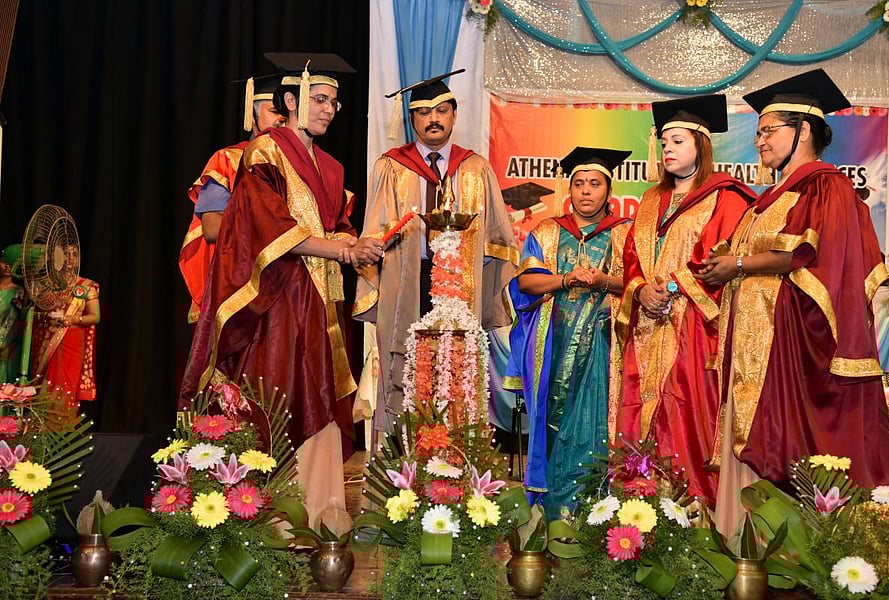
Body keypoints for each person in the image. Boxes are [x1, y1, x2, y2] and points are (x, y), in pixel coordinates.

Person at [180, 53, 383, 523]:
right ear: (290, 100)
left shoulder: (330, 165)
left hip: (323, 297)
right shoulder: (265, 152)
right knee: (283, 387)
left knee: (323, 392)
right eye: (319, 99)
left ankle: (324, 512)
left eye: (334, 101)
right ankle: (274, 517)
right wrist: (341, 251)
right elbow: (266, 227)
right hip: (278, 293)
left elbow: (338, 224)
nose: (330, 109)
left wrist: (356, 242)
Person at [697, 69, 889, 534]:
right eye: (759, 133)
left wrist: (742, 266)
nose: (760, 142)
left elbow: (814, 257)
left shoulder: (826, 186)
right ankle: (742, 552)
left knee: (788, 454)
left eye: (769, 131)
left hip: (789, 354)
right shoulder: (767, 199)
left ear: (803, 130)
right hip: (754, 351)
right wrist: (726, 262)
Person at [353, 72, 518, 433]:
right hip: (406, 280)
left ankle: (459, 442)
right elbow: (374, 233)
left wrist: (488, 287)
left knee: (455, 364)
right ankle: (402, 448)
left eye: (442, 110)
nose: (434, 119)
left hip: (462, 283)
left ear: (454, 116)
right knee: (405, 359)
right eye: (424, 113)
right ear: (412, 120)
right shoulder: (391, 166)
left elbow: (497, 240)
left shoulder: (475, 167)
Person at [616, 95, 755, 503]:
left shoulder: (727, 197)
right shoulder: (648, 201)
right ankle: (638, 509)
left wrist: (672, 287)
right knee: (639, 414)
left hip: (695, 330)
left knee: (688, 412)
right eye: (664, 143)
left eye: (677, 141)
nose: (668, 150)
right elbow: (630, 260)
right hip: (646, 329)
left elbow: (720, 258)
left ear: (701, 145)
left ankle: (695, 508)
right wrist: (641, 290)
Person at [504, 147, 633, 518]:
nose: (586, 191)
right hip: (553, 341)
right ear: (569, 189)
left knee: (595, 418)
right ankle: (553, 506)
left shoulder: (623, 233)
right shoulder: (546, 231)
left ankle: (596, 505)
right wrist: (565, 279)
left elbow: (635, 282)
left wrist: (603, 279)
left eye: (595, 184)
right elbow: (526, 282)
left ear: (609, 191)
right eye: (578, 183)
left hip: (603, 344)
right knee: (552, 415)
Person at [178, 76, 286, 323]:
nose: (281, 118)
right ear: (252, 115)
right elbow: (212, 228)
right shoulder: (228, 160)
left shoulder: (301, 166)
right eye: (273, 111)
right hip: (240, 282)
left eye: (286, 113)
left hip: (287, 283)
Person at [31, 245, 101, 421]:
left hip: (72, 341)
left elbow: (95, 316)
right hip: (46, 342)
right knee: (45, 385)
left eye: (74, 254)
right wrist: (46, 317)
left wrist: (73, 320)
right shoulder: (45, 286)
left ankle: (63, 431)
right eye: (66, 254)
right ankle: (41, 432)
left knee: (66, 386)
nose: (70, 258)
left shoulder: (86, 287)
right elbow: (31, 314)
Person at [0, 245, 25, 384]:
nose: (7, 266)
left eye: (12, 263)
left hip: (7, 347)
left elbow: (22, 323)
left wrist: (11, 346)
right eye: (4, 262)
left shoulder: (20, 293)